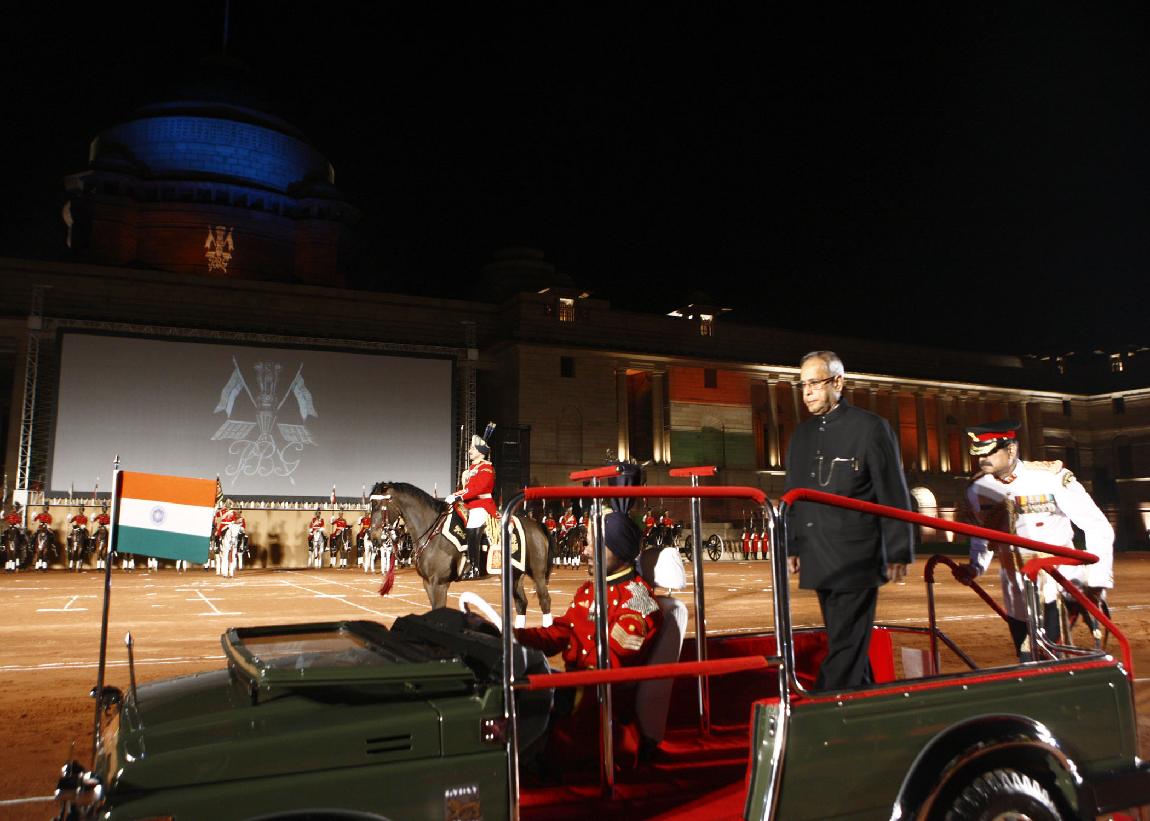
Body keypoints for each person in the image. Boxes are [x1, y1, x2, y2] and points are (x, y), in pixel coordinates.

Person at [784, 350, 914, 691]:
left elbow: (891, 489)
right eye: (803, 385)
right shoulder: (801, 434)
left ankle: (822, 705)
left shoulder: (871, 428)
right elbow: (792, 493)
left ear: (838, 382)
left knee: (844, 645)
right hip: (817, 553)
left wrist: (898, 549)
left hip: (856, 555)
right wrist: (792, 544)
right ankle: (866, 699)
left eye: (815, 383)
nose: (807, 392)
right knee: (846, 640)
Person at [513, 509, 662, 771]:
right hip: (577, 691)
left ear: (620, 550)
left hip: (597, 710)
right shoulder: (590, 590)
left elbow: (608, 671)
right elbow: (561, 633)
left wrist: (553, 687)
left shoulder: (638, 603)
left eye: (596, 544)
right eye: (588, 543)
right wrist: (512, 637)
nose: (586, 551)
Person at [957, 420, 1114, 661]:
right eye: (979, 454)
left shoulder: (1050, 478)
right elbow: (983, 534)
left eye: (989, 453)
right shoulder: (977, 489)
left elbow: (1096, 525)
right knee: (1027, 658)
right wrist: (975, 567)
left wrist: (1096, 582)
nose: (982, 459)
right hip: (1016, 590)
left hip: (1057, 584)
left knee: (1049, 657)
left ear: (1011, 450)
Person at [445, 422, 498, 580]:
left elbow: (478, 489)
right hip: (471, 506)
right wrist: (457, 493)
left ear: (480, 452)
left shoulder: (486, 468)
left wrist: (458, 496)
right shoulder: (471, 469)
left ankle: (475, 568)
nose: (469, 451)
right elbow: (468, 488)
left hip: (482, 506)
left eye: (472, 449)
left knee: (472, 530)